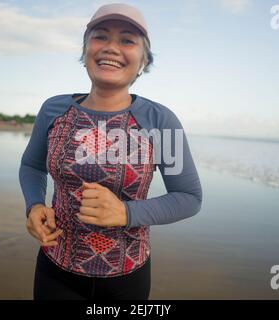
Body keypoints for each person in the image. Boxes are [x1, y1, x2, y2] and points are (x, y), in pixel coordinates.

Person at [19, 3, 203, 300]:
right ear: (85, 50)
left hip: (127, 277)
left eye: (128, 40)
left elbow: (189, 197)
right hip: (54, 268)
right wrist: (34, 205)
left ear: (144, 61)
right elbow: (32, 166)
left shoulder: (160, 120)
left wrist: (126, 212)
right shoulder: (53, 110)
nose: (111, 48)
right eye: (100, 36)